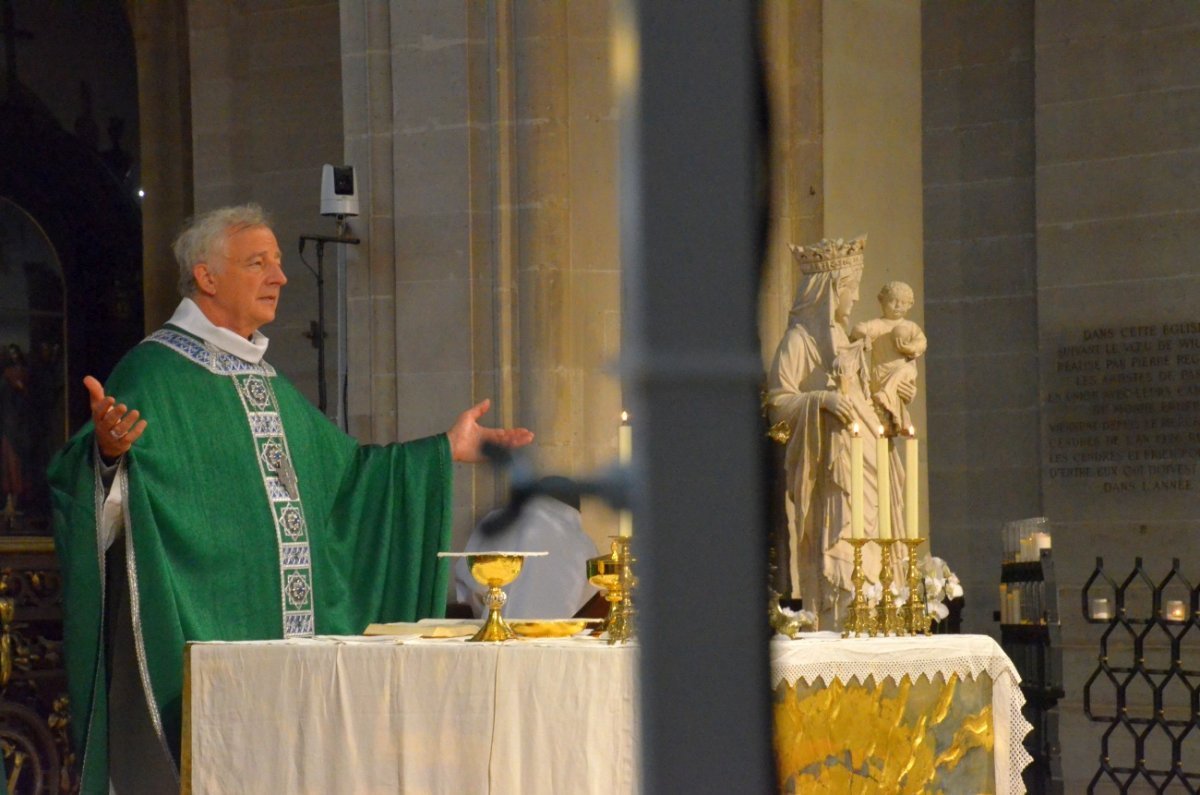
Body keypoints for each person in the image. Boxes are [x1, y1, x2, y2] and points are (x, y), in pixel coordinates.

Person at [47, 204, 533, 794]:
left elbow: (351, 477)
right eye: (258, 264)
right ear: (206, 276)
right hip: (213, 657)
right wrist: (106, 456)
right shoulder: (153, 375)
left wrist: (440, 452)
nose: (280, 277)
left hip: (290, 664)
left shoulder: (265, 378)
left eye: (278, 264)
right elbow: (84, 488)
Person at [763, 236, 909, 630]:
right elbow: (777, 400)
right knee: (841, 546)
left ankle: (874, 612)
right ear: (829, 293)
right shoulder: (801, 340)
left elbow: (865, 400)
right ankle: (840, 618)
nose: (857, 296)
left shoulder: (846, 339)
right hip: (833, 469)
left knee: (873, 547)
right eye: (850, 288)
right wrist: (821, 401)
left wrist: (892, 397)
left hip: (867, 458)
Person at [453, 480, 599, 620]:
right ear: (576, 510)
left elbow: (469, 586)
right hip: (560, 640)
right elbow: (591, 602)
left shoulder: (499, 523)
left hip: (494, 634)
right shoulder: (583, 543)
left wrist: (487, 616)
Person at [850, 281, 927, 435]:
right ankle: (892, 417)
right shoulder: (878, 325)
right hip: (882, 376)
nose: (898, 306)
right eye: (893, 301)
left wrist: (909, 348)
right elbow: (857, 330)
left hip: (904, 375)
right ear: (881, 300)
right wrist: (864, 336)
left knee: (905, 369)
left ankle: (886, 397)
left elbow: (921, 343)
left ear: (910, 304)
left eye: (903, 303)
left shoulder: (910, 326)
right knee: (886, 413)